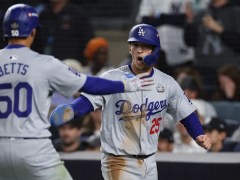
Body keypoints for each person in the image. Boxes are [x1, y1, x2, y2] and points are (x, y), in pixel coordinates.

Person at [0, 4, 155, 180]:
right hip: (35, 150)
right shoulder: (45, 63)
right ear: (32, 32)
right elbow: (90, 85)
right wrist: (125, 85)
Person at [50, 24, 211, 180]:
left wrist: (198, 134)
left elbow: (186, 113)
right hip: (118, 161)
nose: (139, 50)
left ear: (155, 50)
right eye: (135, 45)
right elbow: (88, 100)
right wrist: (72, 110)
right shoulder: (112, 77)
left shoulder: (167, 82)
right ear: (130, 48)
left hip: (149, 161)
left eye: (145, 45)